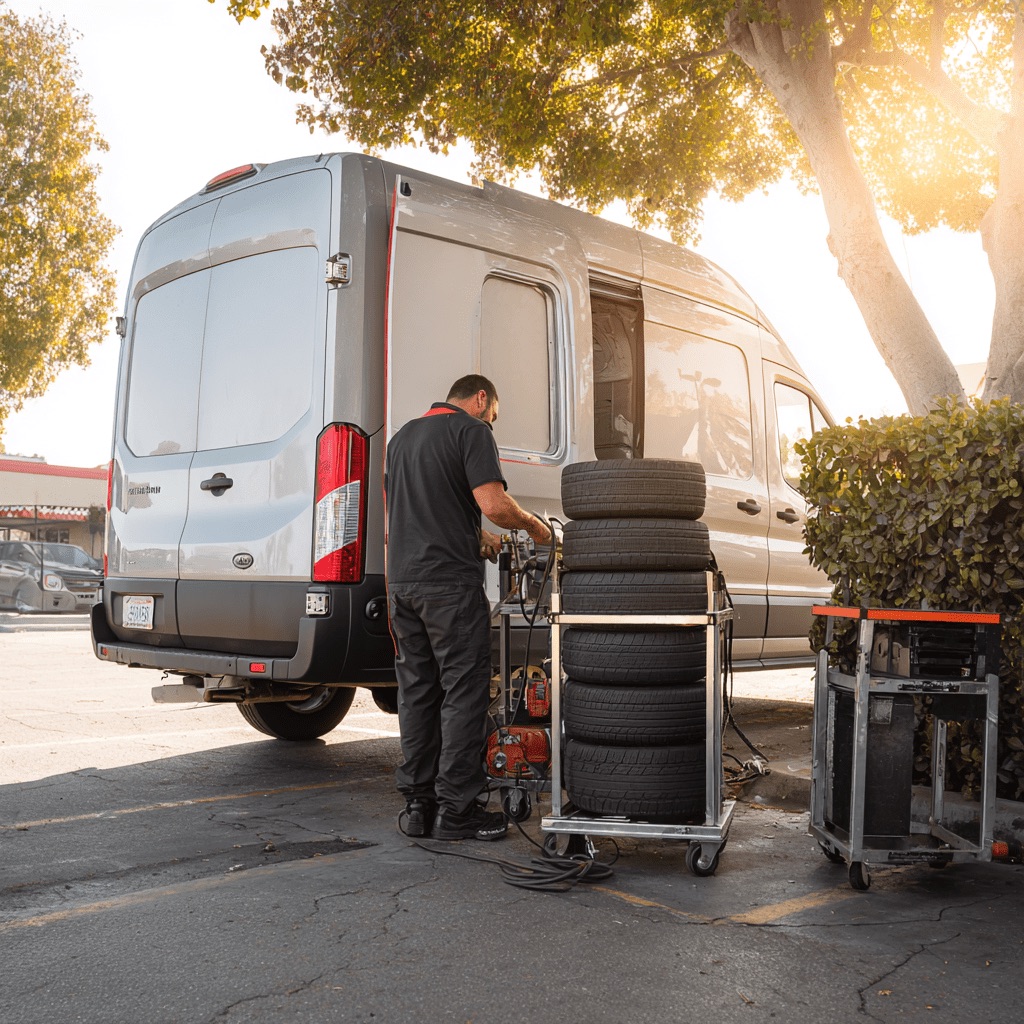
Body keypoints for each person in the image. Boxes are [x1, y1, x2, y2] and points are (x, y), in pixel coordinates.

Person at [384, 374, 553, 841]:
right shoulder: (471, 431)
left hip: (402, 583)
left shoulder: (402, 438)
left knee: (417, 692)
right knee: (464, 691)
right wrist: (540, 530)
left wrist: (477, 539)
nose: (491, 422)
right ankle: (456, 811)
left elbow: (412, 512)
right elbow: (494, 503)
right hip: (448, 588)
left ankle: (420, 807)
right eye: (493, 413)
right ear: (481, 399)